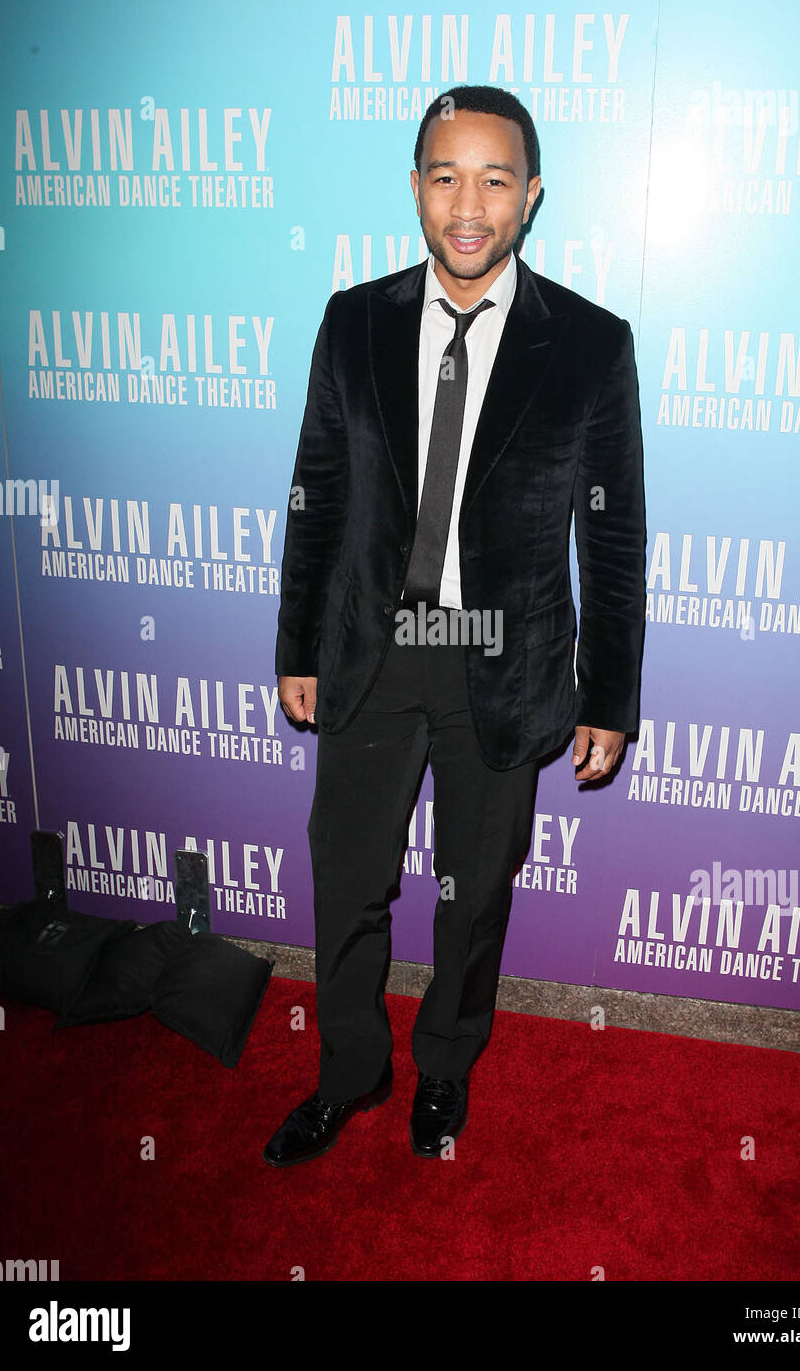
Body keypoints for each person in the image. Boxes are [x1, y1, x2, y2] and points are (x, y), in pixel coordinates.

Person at [264, 85, 646, 1167]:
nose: (467, 205)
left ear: (530, 197)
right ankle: (349, 1071)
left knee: (474, 896)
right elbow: (318, 492)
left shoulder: (589, 345)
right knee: (347, 882)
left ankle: (442, 1068)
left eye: (493, 178)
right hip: (375, 652)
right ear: (417, 188)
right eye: (445, 175)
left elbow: (614, 539)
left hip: (504, 658)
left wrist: (610, 694)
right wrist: (298, 647)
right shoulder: (354, 319)